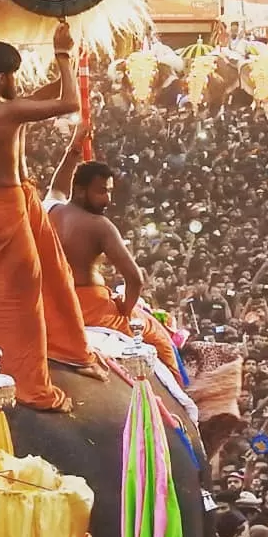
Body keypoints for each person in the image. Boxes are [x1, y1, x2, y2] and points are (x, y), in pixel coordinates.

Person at [0, 28, 101, 412]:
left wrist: (66, 69)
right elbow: (70, 101)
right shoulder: (11, 112)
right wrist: (63, 54)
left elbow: (36, 99)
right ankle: (29, 381)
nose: (19, 82)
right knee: (25, 296)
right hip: (7, 209)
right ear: (5, 76)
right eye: (16, 75)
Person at [46, 126, 180, 374]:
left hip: (52, 303)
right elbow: (135, 279)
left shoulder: (51, 209)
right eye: (101, 191)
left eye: (109, 191)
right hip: (91, 310)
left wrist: (75, 146)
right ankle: (182, 406)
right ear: (81, 191)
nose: (107, 199)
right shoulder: (100, 226)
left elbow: (58, 184)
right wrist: (125, 312)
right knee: (161, 340)